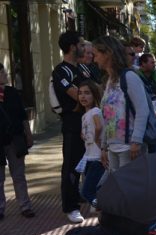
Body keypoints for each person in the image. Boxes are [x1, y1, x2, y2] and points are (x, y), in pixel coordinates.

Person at [94, 35, 150, 173]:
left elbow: (143, 110)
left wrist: (136, 142)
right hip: (113, 148)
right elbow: (108, 117)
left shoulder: (129, 77)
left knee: (131, 191)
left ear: (107, 53)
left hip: (129, 148)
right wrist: (104, 146)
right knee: (119, 190)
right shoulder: (109, 81)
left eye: (96, 55)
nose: (95, 59)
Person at [52, 31, 87, 224]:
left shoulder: (82, 68)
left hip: (88, 124)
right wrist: (86, 97)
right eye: (81, 44)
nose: (84, 48)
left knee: (88, 164)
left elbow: (94, 91)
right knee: (71, 167)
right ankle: (70, 206)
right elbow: (78, 95)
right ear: (73, 47)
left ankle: (80, 195)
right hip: (73, 126)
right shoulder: (60, 71)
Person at [0, 63, 34, 220]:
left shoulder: (12, 92)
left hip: (15, 139)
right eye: (3, 73)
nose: (6, 75)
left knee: (18, 174)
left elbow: (22, 116)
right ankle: (0, 208)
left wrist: (28, 133)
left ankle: (25, 206)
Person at [76, 80, 105, 213]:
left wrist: (96, 137)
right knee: (93, 189)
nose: (83, 96)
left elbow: (99, 126)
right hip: (89, 157)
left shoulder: (95, 111)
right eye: (80, 93)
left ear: (94, 95)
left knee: (87, 191)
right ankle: (101, 210)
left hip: (97, 158)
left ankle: (103, 207)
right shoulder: (85, 115)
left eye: (87, 93)